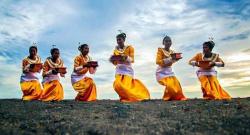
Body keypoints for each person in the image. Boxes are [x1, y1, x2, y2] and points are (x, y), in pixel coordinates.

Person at [110, 32, 150, 102]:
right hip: (119, 70)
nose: (118, 41)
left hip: (127, 70)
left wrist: (126, 57)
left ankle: (135, 96)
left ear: (124, 40)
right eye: (117, 40)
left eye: (120, 39)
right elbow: (115, 63)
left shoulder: (129, 48)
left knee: (126, 86)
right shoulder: (115, 50)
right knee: (117, 84)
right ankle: (124, 97)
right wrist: (112, 60)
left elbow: (132, 60)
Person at [156, 35, 187, 101]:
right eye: (166, 41)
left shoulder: (172, 52)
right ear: (163, 43)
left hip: (169, 70)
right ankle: (167, 97)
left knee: (176, 84)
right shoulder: (160, 50)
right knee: (169, 84)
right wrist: (171, 58)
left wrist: (176, 59)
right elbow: (158, 62)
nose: (168, 42)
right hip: (161, 71)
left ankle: (177, 97)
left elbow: (171, 62)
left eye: (169, 41)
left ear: (171, 42)